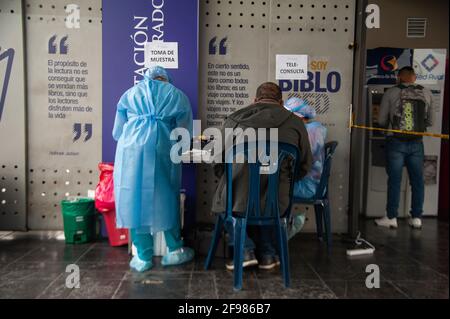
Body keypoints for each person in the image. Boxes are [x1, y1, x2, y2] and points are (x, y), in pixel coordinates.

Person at [211, 82, 313, 270]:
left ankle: (245, 251)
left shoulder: (234, 119)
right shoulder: (296, 123)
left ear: (254, 101)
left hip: (239, 199)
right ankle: (267, 254)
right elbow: (305, 164)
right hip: (278, 201)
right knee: (269, 196)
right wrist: (286, 181)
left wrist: (231, 177)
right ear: (281, 102)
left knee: (224, 201)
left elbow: (218, 162)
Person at [113, 66, 194, 272]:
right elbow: (184, 132)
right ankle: (174, 250)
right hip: (163, 148)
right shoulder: (177, 95)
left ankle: (143, 256)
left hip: (131, 150)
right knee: (166, 197)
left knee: (134, 199)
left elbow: (117, 131)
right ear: (166, 78)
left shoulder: (130, 94)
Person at [375, 66, 433, 229]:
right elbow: (430, 122)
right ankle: (416, 218)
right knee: (417, 181)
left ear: (399, 77)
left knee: (395, 180)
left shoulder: (391, 92)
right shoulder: (426, 93)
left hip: (396, 141)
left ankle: (391, 217)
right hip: (416, 142)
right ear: (414, 77)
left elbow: (380, 121)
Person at [283, 97, 327, 239]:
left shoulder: (311, 132)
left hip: (308, 186)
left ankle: (283, 230)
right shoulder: (314, 129)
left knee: (272, 189)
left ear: (297, 116)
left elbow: (302, 161)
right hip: (312, 183)